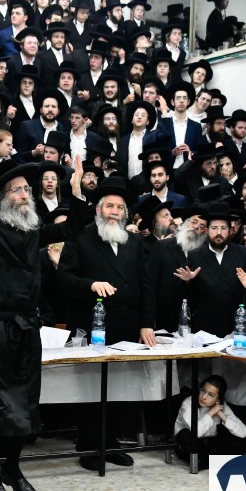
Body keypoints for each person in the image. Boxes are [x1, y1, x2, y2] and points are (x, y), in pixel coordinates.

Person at [0, 157, 87, 491]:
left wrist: (76, 193)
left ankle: (13, 467)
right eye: (15, 190)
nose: (23, 195)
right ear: (2, 197)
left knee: (27, 403)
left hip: (28, 326)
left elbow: (72, 230)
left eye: (25, 190)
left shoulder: (33, 229)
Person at [58, 176, 156, 471]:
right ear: (99, 209)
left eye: (119, 207)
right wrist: (90, 284)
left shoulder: (135, 242)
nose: (114, 212)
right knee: (92, 389)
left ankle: (110, 442)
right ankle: (89, 445)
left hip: (127, 326)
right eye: (109, 206)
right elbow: (63, 278)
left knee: (120, 388)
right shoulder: (81, 236)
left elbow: (146, 285)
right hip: (92, 325)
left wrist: (147, 324)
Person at [174, 202, 246, 338]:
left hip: (234, 325)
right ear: (206, 231)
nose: (218, 233)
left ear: (231, 230)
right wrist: (187, 281)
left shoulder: (243, 253)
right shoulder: (195, 255)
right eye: (214, 228)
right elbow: (185, 298)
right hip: (204, 328)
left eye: (223, 228)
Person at [174, 375, 246, 470]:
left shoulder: (221, 405)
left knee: (244, 439)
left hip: (209, 444)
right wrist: (211, 413)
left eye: (211, 395)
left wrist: (221, 415)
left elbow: (243, 432)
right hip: (191, 444)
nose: (204, 397)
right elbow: (196, 432)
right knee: (185, 435)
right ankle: (214, 461)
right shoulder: (188, 403)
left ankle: (210, 461)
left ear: (218, 399)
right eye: (203, 390)